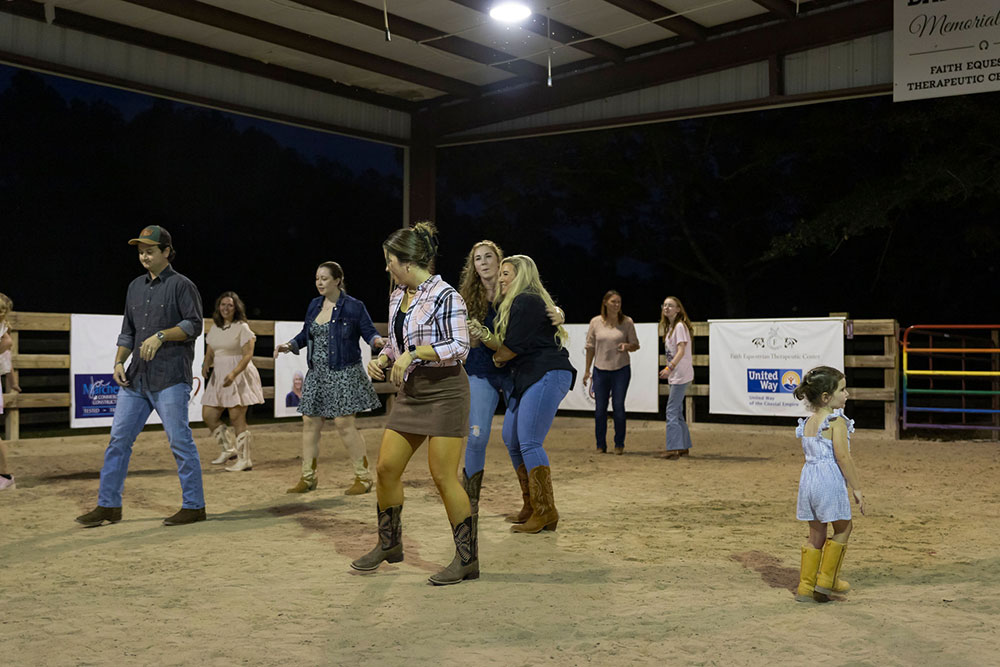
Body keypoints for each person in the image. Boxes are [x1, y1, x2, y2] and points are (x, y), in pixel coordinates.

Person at [351, 221, 475, 586]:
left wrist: (414, 354)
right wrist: (385, 357)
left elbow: (459, 346)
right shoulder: (396, 296)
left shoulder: (446, 295)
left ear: (405, 261)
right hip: (413, 392)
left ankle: (467, 560)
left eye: (389, 261)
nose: (386, 267)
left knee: (442, 476)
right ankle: (390, 544)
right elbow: (395, 342)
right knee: (387, 468)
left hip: (447, 390)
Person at [76, 225, 206, 527]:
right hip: (136, 378)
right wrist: (118, 362)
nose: (144, 255)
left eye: (150, 250)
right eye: (140, 250)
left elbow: (195, 324)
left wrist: (161, 335)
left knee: (179, 441)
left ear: (166, 252)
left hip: (171, 377)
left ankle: (194, 506)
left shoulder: (183, 286)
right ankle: (108, 505)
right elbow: (128, 332)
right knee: (118, 440)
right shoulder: (134, 287)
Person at [460, 240, 565, 526]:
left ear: (500, 262)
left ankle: (535, 505)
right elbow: (465, 339)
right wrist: (470, 338)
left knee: (520, 438)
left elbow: (540, 310)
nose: (482, 262)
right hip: (483, 368)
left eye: (488, 257)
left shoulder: (516, 292)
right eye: (477, 258)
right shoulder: (468, 297)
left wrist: (559, 312)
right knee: (481, 436)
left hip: (516, 371)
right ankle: (469, 504)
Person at [275, 261, 383, 495]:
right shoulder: (314, 305)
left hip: (344, 371)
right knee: (310, 424)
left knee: (344, 424)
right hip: (317, 373)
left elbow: (368, 331)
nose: (319, 282)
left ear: (337, 280)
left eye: (324, 278)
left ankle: (363, 478)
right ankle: (308, 477)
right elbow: (306, 334)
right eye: (317, 278)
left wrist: (377, 341)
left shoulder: (354, 306)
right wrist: (289, 345)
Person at [492, 255, 576, 534]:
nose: (501, 277)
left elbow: (513, 345)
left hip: (547, 372)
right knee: (511, 438)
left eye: (507, 273)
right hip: (529, 376)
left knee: (529, 441)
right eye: (501, 273)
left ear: (522, 276)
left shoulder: (525, 300)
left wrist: (496, 359)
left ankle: (545, 510)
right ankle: (531, 504)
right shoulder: (514, 302)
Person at [792, 366, 865, 603]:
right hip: (828, 481)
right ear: (826, 397)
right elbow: (843, 457)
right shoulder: (836, 422)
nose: (847, 394)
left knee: (816, 534)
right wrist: (857, 487)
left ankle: (805, 586)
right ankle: (826, 581)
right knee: (844, 528)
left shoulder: (808, 423)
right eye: (842, 390)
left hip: (809, 481)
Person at [201, 291, 264, 472]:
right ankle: (229, 449)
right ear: (218, 307)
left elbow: (248, 355)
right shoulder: (215, 328)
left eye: (230, 305)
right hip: (219, 375)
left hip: (238, 373)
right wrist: (206, 363)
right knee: (209, 415)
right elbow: (211, 349)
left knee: (237, 417)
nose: (226, 308)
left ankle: (245, 460)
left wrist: (234, 373)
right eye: (223, 305)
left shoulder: (242, 327)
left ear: (236, 308)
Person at [583, 291, 639, 454]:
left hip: (621, 370)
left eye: (619, 302)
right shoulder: (595, 322)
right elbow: (590, 347)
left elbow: (635, 344)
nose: (617, 305)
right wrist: (587, 370)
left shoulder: (627, 322)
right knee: (600, 409)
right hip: (600, 370)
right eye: (613, 301)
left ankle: (619, 443)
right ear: (605, 303)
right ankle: (600, 444)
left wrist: (627, 346)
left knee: (618, 406)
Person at [658, 296, 694, 459]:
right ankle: (683, 446)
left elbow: (681, 350)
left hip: (680, 373)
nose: (666, 308)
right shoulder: (671, 328)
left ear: (678, 309)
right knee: (677, 411)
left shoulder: (679, 326)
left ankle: (673, 448)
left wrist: (669, 368)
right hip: (677, 374)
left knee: (671, 410)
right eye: (665, 305)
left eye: (670, 306)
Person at [0, 292, 19, 491]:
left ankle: (5, 475)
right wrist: (13, 381)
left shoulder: (4, 331)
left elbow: (7, 346)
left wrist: (12, 380)